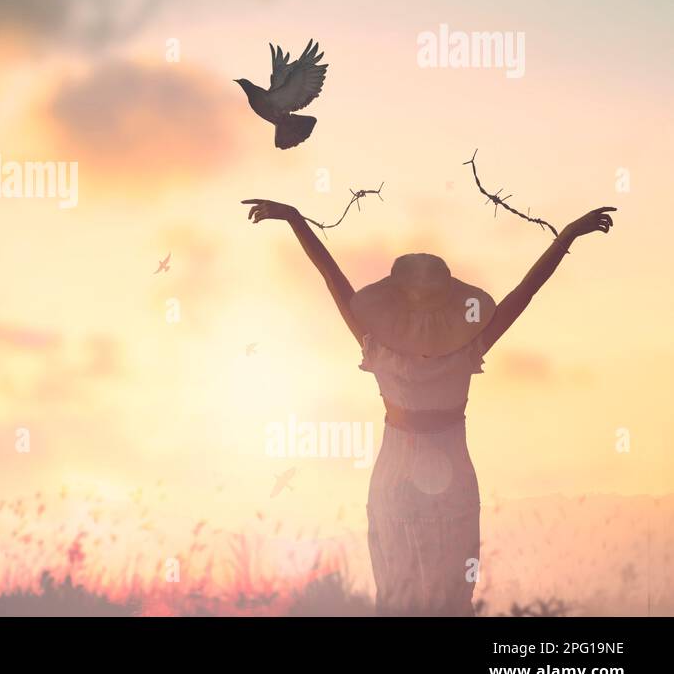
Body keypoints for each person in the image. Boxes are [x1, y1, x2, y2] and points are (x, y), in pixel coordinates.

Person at [241, 198, 616, 615]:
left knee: (407, 595)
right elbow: (523, 293)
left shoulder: (377, 342)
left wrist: (295, 219)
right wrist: (566, 235)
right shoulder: (462, 345)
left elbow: (333, 279)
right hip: (435, 475)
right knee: (442, 596)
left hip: (406, 478)